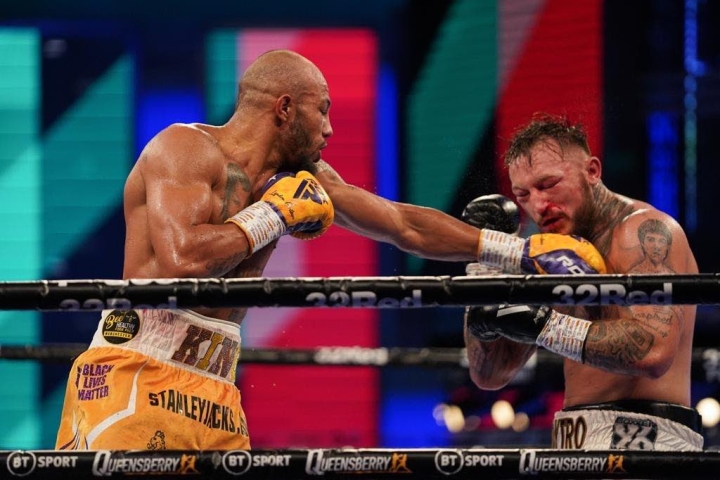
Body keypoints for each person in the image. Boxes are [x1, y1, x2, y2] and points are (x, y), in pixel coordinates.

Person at [55, 49, 487, 451]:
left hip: (217, 392)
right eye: (322, 110)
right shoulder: (184, 148)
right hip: (138, 370)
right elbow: (182, 261)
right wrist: (273, 216)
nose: (329, 129)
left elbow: (402, 224)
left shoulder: (297, 177)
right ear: (285, 108)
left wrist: (505, 251)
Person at [463, 112, 703, 451]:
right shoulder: (553, 255)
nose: (538, 205)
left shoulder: (645, 231)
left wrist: (543, 325)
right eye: (523, 195)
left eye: (548, 185)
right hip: (573, 441)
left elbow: (653, 351)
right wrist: (485, 274)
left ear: (592, 171)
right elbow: (489, 374)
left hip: (645, 441)